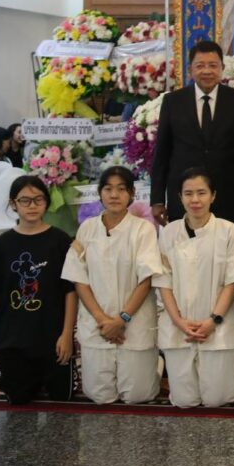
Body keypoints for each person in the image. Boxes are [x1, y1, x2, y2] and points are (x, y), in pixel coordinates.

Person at [62, 166, 162, 404]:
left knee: (137, 396)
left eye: (121, 189)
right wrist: (103, 320)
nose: (114, 195)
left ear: (131, 194)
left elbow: (146, 279)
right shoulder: (87, 228)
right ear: (100, 193)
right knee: (100, 396)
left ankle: (158, 364)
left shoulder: (143, 229)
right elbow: (79, 277)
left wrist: (122, 319)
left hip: (133, 324)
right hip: (98, 325)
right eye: (108, 189)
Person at [154, 168, 234, 408]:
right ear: (180, 197)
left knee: (218, 399)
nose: (195, 200)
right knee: (184, 400)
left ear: (213, 196)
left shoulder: (228, 231)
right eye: (188, 193)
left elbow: (232, 281)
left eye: (201, 193)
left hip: (218, 328)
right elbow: (163, 281)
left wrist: (213, 320)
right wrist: (178, 320)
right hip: (178, 328)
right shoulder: (169, 233)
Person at [0, 175, 77, 404]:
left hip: (51, 336)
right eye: (25, 200)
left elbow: (70, 292)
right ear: (13, 204)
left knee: (61, 396)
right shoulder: (2, 245)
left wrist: (66, 336)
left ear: (46, 202)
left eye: (38, 199)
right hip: (13, 337)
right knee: (18, 397)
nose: (32, 206)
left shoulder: (60, 240)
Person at [151, 40, 234, 227]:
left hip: (228, 196)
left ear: (222, 68)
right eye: (200, 66)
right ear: (190, 69)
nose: (207, 71)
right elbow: (162, 153)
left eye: (213, 65)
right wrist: (157, 199)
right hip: (185, 196)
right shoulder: (173, 102)